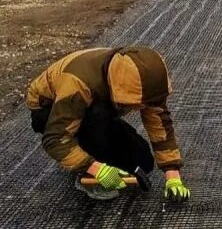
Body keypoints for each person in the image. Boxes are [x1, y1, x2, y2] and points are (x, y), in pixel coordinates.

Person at [26, 46, 191, 201]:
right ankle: (85, 174)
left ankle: (88, 152)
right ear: (120, 89)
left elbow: (159, 124)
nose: (142, 108)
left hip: (97, 109)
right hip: (49, 110)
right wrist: (94, 168)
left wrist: (172, 174)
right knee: (97, 117)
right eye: (140, 103)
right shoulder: (77, 85)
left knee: (142, 162)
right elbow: (54, 138)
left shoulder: (144, 81)